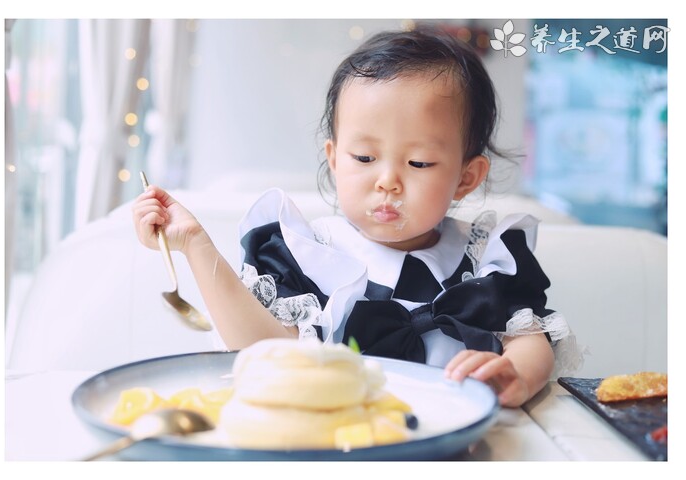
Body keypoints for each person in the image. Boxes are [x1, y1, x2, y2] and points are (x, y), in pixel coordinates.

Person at [132, 26, 580, 407]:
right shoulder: (310, 255)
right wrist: (194, 242)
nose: (388, 181)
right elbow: (263, 349)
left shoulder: (485, 258)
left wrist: (516, 376)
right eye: (364, 157)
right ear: (334, 159)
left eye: (419, 163)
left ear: (466, 177)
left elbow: (529, 338)